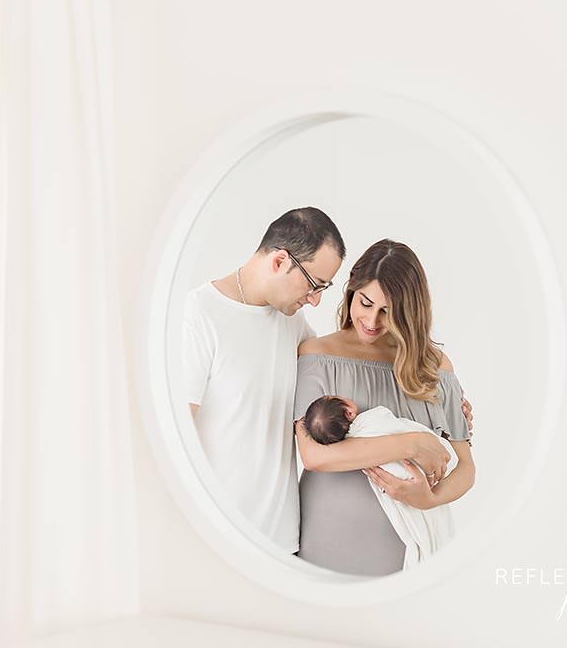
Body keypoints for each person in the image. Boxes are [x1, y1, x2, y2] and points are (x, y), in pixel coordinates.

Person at [182, 208, 454, 554]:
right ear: (280, 261)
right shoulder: (198, 316)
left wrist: (448, 403)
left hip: (285, 542)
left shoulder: (292, 324)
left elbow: (340, 373)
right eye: (314, 284)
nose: (315, 300)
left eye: (325, 288)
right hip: (218, 540)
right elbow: (176, 440)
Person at [294, 239, 476, 575]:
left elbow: (466, 468)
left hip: (407, 550)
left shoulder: (435, 368)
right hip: (326, 537)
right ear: (351, 292)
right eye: (365, 303)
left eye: (388, 311)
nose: (372, 320)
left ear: (409, 312)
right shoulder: (316, 356)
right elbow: (315, 456)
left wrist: (430, 499)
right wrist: (411, 443)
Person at [301, 395, 459, 569]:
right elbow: (313, 459)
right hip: (414, 480)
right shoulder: (373, 421)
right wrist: (412, 446)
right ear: (349, 411)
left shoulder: (351, 448)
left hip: (330, 539)